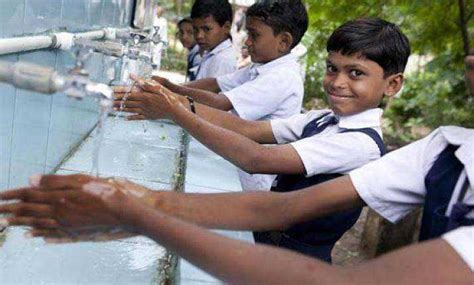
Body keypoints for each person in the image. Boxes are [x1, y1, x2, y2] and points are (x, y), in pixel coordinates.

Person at [0, 120, 472, 283]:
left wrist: (135, 213)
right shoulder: (448, 148)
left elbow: (255, 156)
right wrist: (142, 199)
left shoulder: (360, 141)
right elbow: (279, 207)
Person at [110, 17, 410, 262]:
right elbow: (249, 129)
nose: (337, 82)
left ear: (392, 84)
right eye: (332, 68)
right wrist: (175, 101)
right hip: (270, 247)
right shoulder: (322, 119)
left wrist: (175, 110)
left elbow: (257, 158)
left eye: (355, 73)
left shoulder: (360, 144)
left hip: (297, 264)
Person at [118, 0, 309, 193]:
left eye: (254, 35)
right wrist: (170, 86)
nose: (247, 41)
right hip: (237, 163)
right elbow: (215, 84)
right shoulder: (261, 67)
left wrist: (168, 99)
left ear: (283, 41)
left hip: (253, 180)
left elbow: (221, 103)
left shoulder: (282, 77)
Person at [190, 0, 237, 79]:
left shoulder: (223, 61)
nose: (199, 36)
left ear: (226, 27)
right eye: (195, 29)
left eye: (207, 29)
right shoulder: (211, 53)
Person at [177, 17, 201, 81]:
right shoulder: (193, 53)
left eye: (190, 32)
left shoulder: (198, 57)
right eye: (181, 32)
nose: (184, 37)